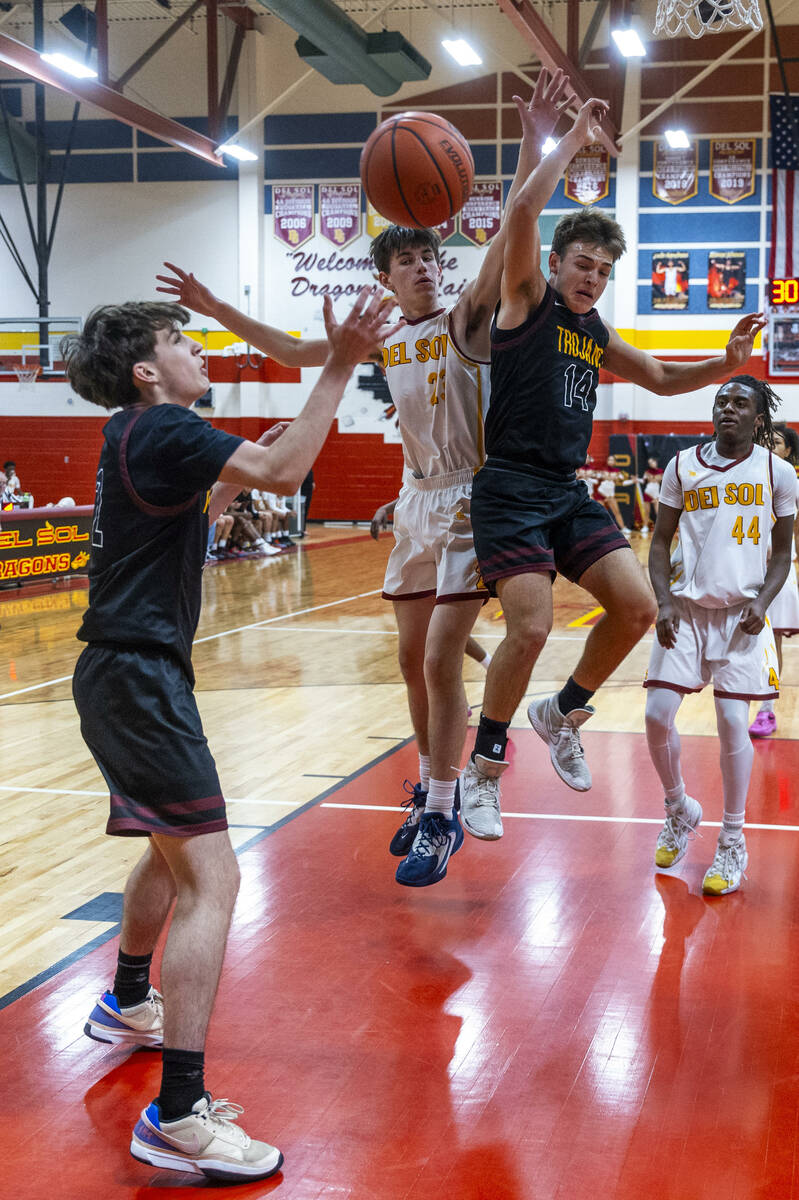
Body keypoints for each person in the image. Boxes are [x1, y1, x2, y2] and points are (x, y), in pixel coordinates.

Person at [158, 67, 577, 888]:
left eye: (429, 256)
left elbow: (509, 231)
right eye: (408, 261)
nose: (423, 268)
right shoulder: (381, 339)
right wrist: (213, 306)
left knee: (436, 661)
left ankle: (443, 802)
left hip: (471, 498)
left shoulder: (467, 318)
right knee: (410, 658)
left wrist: (534, 138)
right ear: (386, 279)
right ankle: (433, 778)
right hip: (419, 499)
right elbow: (285, 353)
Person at [69, 289, 399, 1181]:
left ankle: (131, 1000)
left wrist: (251, 458)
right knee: (215, 877)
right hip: (136, 676)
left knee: (167, 853)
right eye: (181, 338)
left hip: (125, 674)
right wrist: (338, 362)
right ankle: (177, 1115)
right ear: (146, 370)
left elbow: (215, 495)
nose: (199, 349)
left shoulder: (130, 436)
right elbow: (286, 474)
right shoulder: (163, 426)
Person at [460, 96, 767, 839]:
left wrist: (722, 364)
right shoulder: (526, 297)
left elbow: (660, 378)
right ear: (555, 263)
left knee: (636, 609)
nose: (591, 277)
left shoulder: (593, 330)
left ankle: (560, 712)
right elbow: (522, 216)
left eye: (601, 270)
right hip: (508, 486)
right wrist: (567, 140)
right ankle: (483, 768)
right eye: (582, 264)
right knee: (529, 626)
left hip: (563, 492)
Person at [645, 377, 795, 895]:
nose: (727, 408)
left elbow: (781, 554)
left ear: (758, 417)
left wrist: (763, 602)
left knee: (734, 722)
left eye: (740, 403)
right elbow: (660, 542)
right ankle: (678, 808)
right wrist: (663, 601)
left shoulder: (779, 471)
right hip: (685, 609)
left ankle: (732, 840)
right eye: (721, 401)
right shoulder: (682, 464)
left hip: (741, 615)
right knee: (655, 713)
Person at [749, 421, 799, 737]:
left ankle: (766, 709)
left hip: (778, 569)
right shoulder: (746, 475)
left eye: (776, 444)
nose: (769, 448)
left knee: (772, 641)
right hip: (745, 567)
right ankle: (736, 699)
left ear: (789, 451)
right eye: (766, 442)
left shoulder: (791, 480)